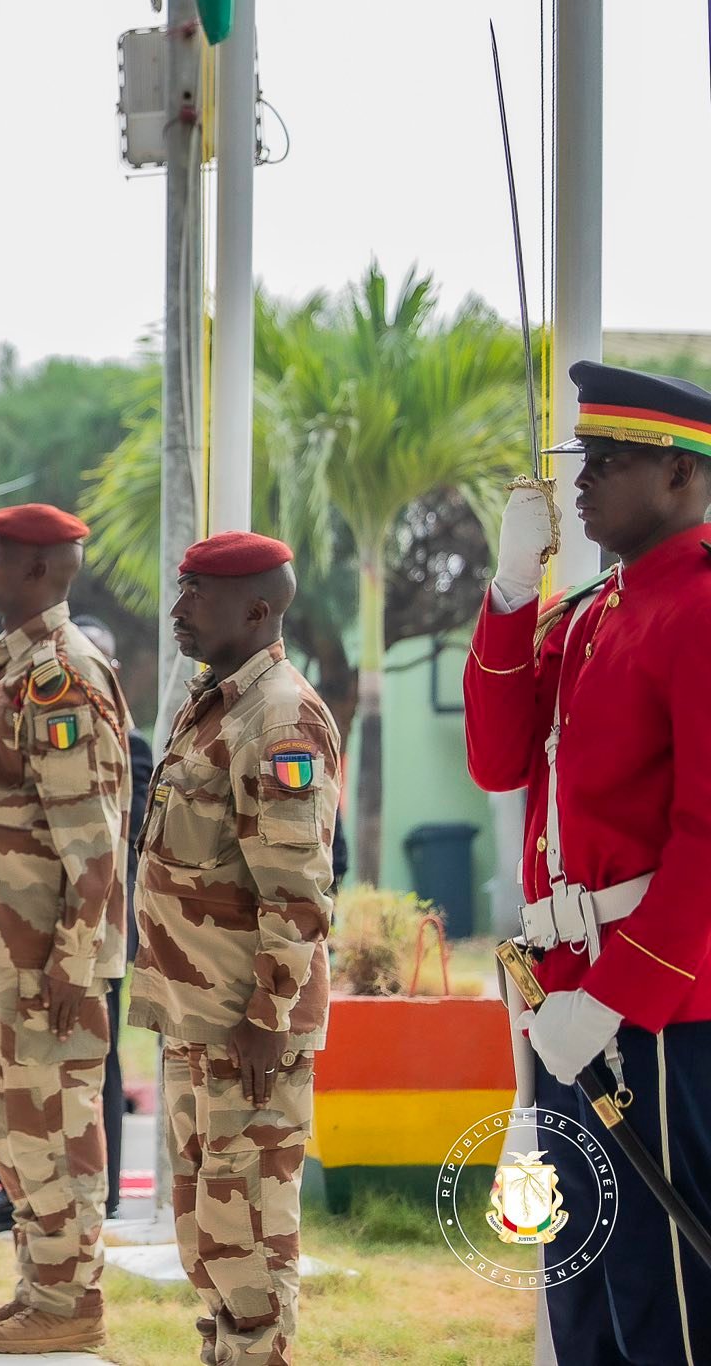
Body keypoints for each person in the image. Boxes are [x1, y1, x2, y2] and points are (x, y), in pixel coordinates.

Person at [465, 361, 711, 1361]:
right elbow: (496, 761)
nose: (582, 476)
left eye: (611, 458)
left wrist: (616, 996)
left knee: (663, 1296)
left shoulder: (698, 609)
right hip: (562, 988)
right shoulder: (584, 613)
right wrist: (510, 591)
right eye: (583, 455)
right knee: (579, 1290)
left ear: (681, 475)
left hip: (655, 1007)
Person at [128, 531, 339, 1366]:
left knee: (248, 1229)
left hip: (248, 1026)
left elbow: (297, 889)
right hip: (201, 1016)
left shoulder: (279, 718)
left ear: (256, 610)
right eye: (181, 589)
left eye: (198, 595)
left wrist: (267, 1015)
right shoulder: (219, 704)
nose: (177, 608)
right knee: (207, 1230)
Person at [0, 505, 131, 1355]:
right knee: (18, 1130)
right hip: (5, 946)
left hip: (46, 957)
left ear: (39, 571)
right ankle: (40, 1289)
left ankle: (70, 1303)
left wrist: (72, 961)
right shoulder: (17, 664)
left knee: (54, 1128)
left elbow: (91, 837)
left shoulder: (61, 675)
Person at [73, 612, 153, 1220]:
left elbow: (132, 841)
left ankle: (104, 1190)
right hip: (37, 921)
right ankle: (9, 1189)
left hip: (103, 922)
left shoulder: (133, 745)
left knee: (99, 1055)